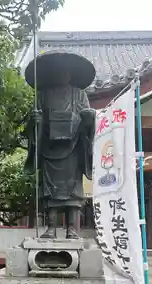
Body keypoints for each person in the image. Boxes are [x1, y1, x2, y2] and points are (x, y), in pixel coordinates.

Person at [24, 53, 96, 239]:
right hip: (49, 146)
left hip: (73, 148)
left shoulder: (79, 94)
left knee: (72, 191)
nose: (62, 75)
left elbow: (88, 120)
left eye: (65, 72)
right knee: (50, 191)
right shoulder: (42, 94)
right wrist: (35, 121)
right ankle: (50, 228)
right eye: (58, 71)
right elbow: (31, 124)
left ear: (71, 75)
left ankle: (72, 229)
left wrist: (89, 118)